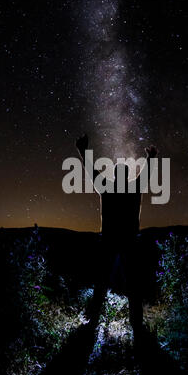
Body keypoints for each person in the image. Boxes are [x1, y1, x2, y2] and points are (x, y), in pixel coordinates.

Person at [76, 134, 158, 344]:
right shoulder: (134, 187)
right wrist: (151, 158)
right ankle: (136, 325)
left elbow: (91, 171)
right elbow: (146, 174)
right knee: (133, 283)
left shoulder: (107, 187)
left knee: (103, 281)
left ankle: (92, 322)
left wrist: (83, 151)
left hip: (110, 239)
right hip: (129, 239)